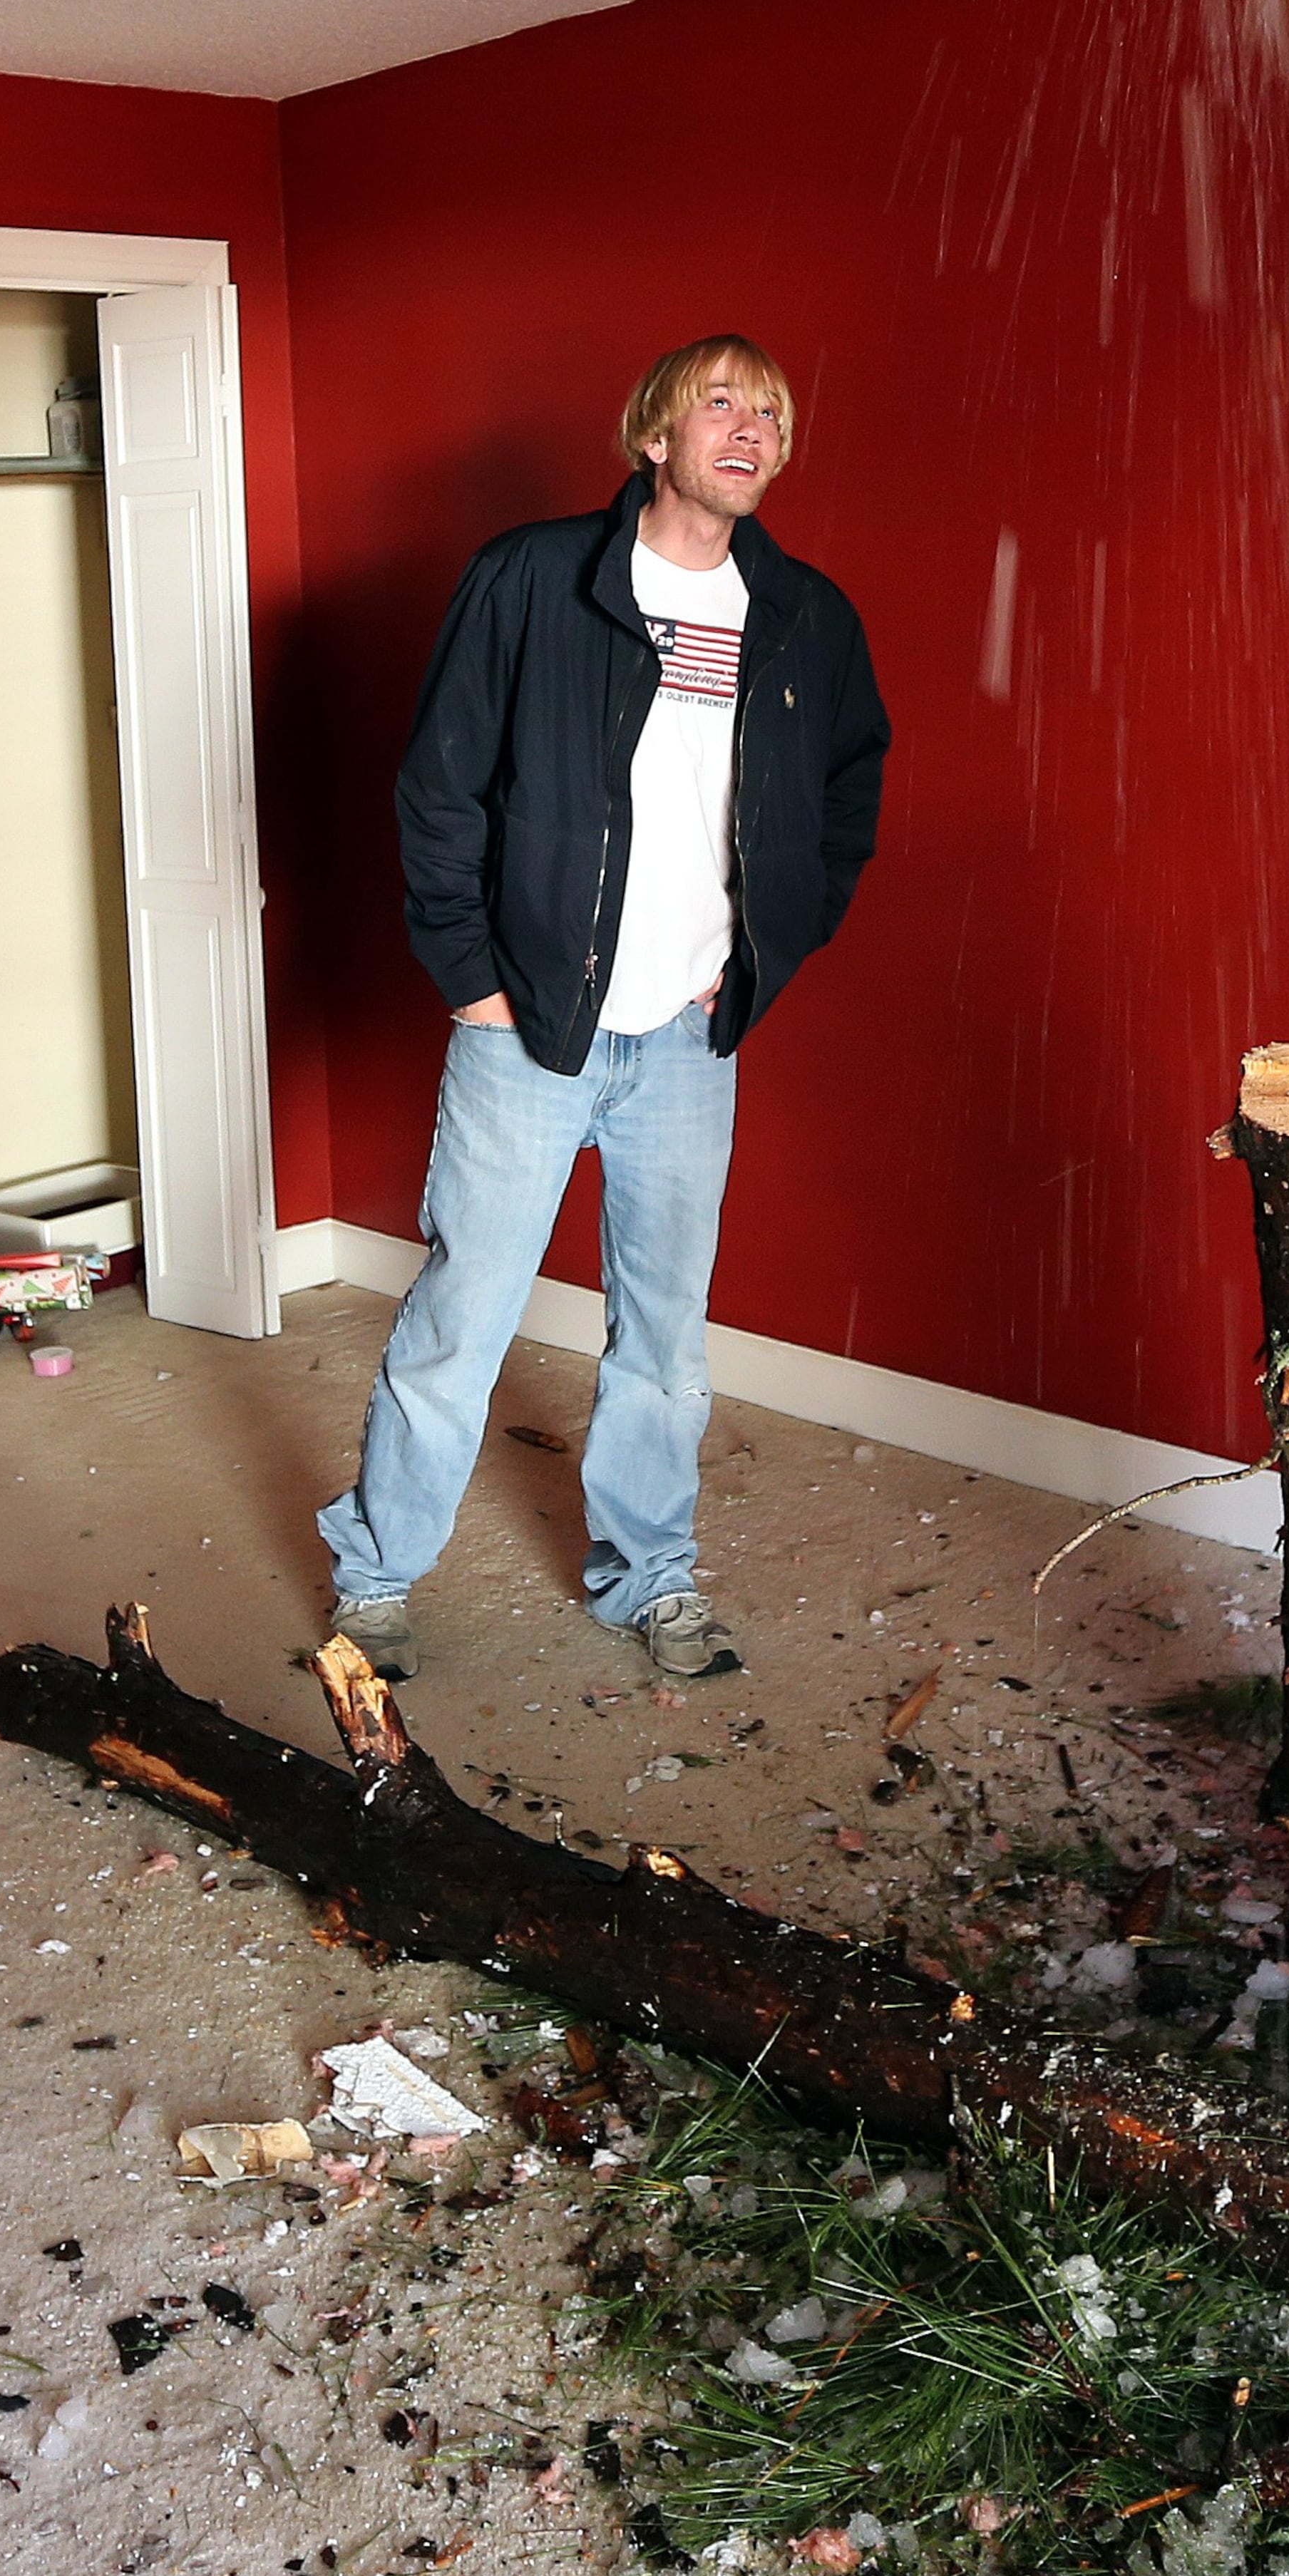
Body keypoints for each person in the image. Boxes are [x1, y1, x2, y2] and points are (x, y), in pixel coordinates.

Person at [317, 337, 888, 1682]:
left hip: (691, 1043)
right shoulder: (533, 580)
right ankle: (380, 1575)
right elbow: (441, 785)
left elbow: (844, 802)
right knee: (463, 1316)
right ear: (654, 434)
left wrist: (759, 954)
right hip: (527, 1035)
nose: (747, 429)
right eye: (720, 403)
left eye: (771, 413)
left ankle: (652, 1578)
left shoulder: (806, 615)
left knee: (665, 1340)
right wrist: (470, 979)